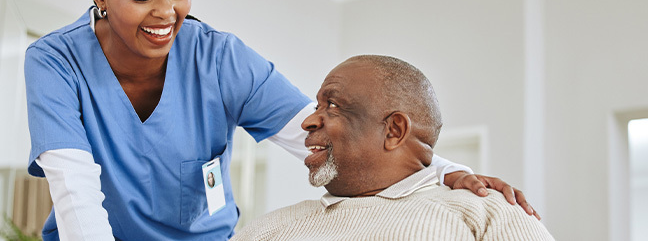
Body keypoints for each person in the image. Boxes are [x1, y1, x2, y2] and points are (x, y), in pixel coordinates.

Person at [24, 0, 537, 240]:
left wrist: (452, 173)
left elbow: (324, 136)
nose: (166, 14)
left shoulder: (218, 58)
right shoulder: (54, 62)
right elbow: (76, 192)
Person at [232, 55, 554, 241]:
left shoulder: (488, 211)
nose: (307, 121)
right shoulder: (267, 229)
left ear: (394, 130)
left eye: (332, 105)